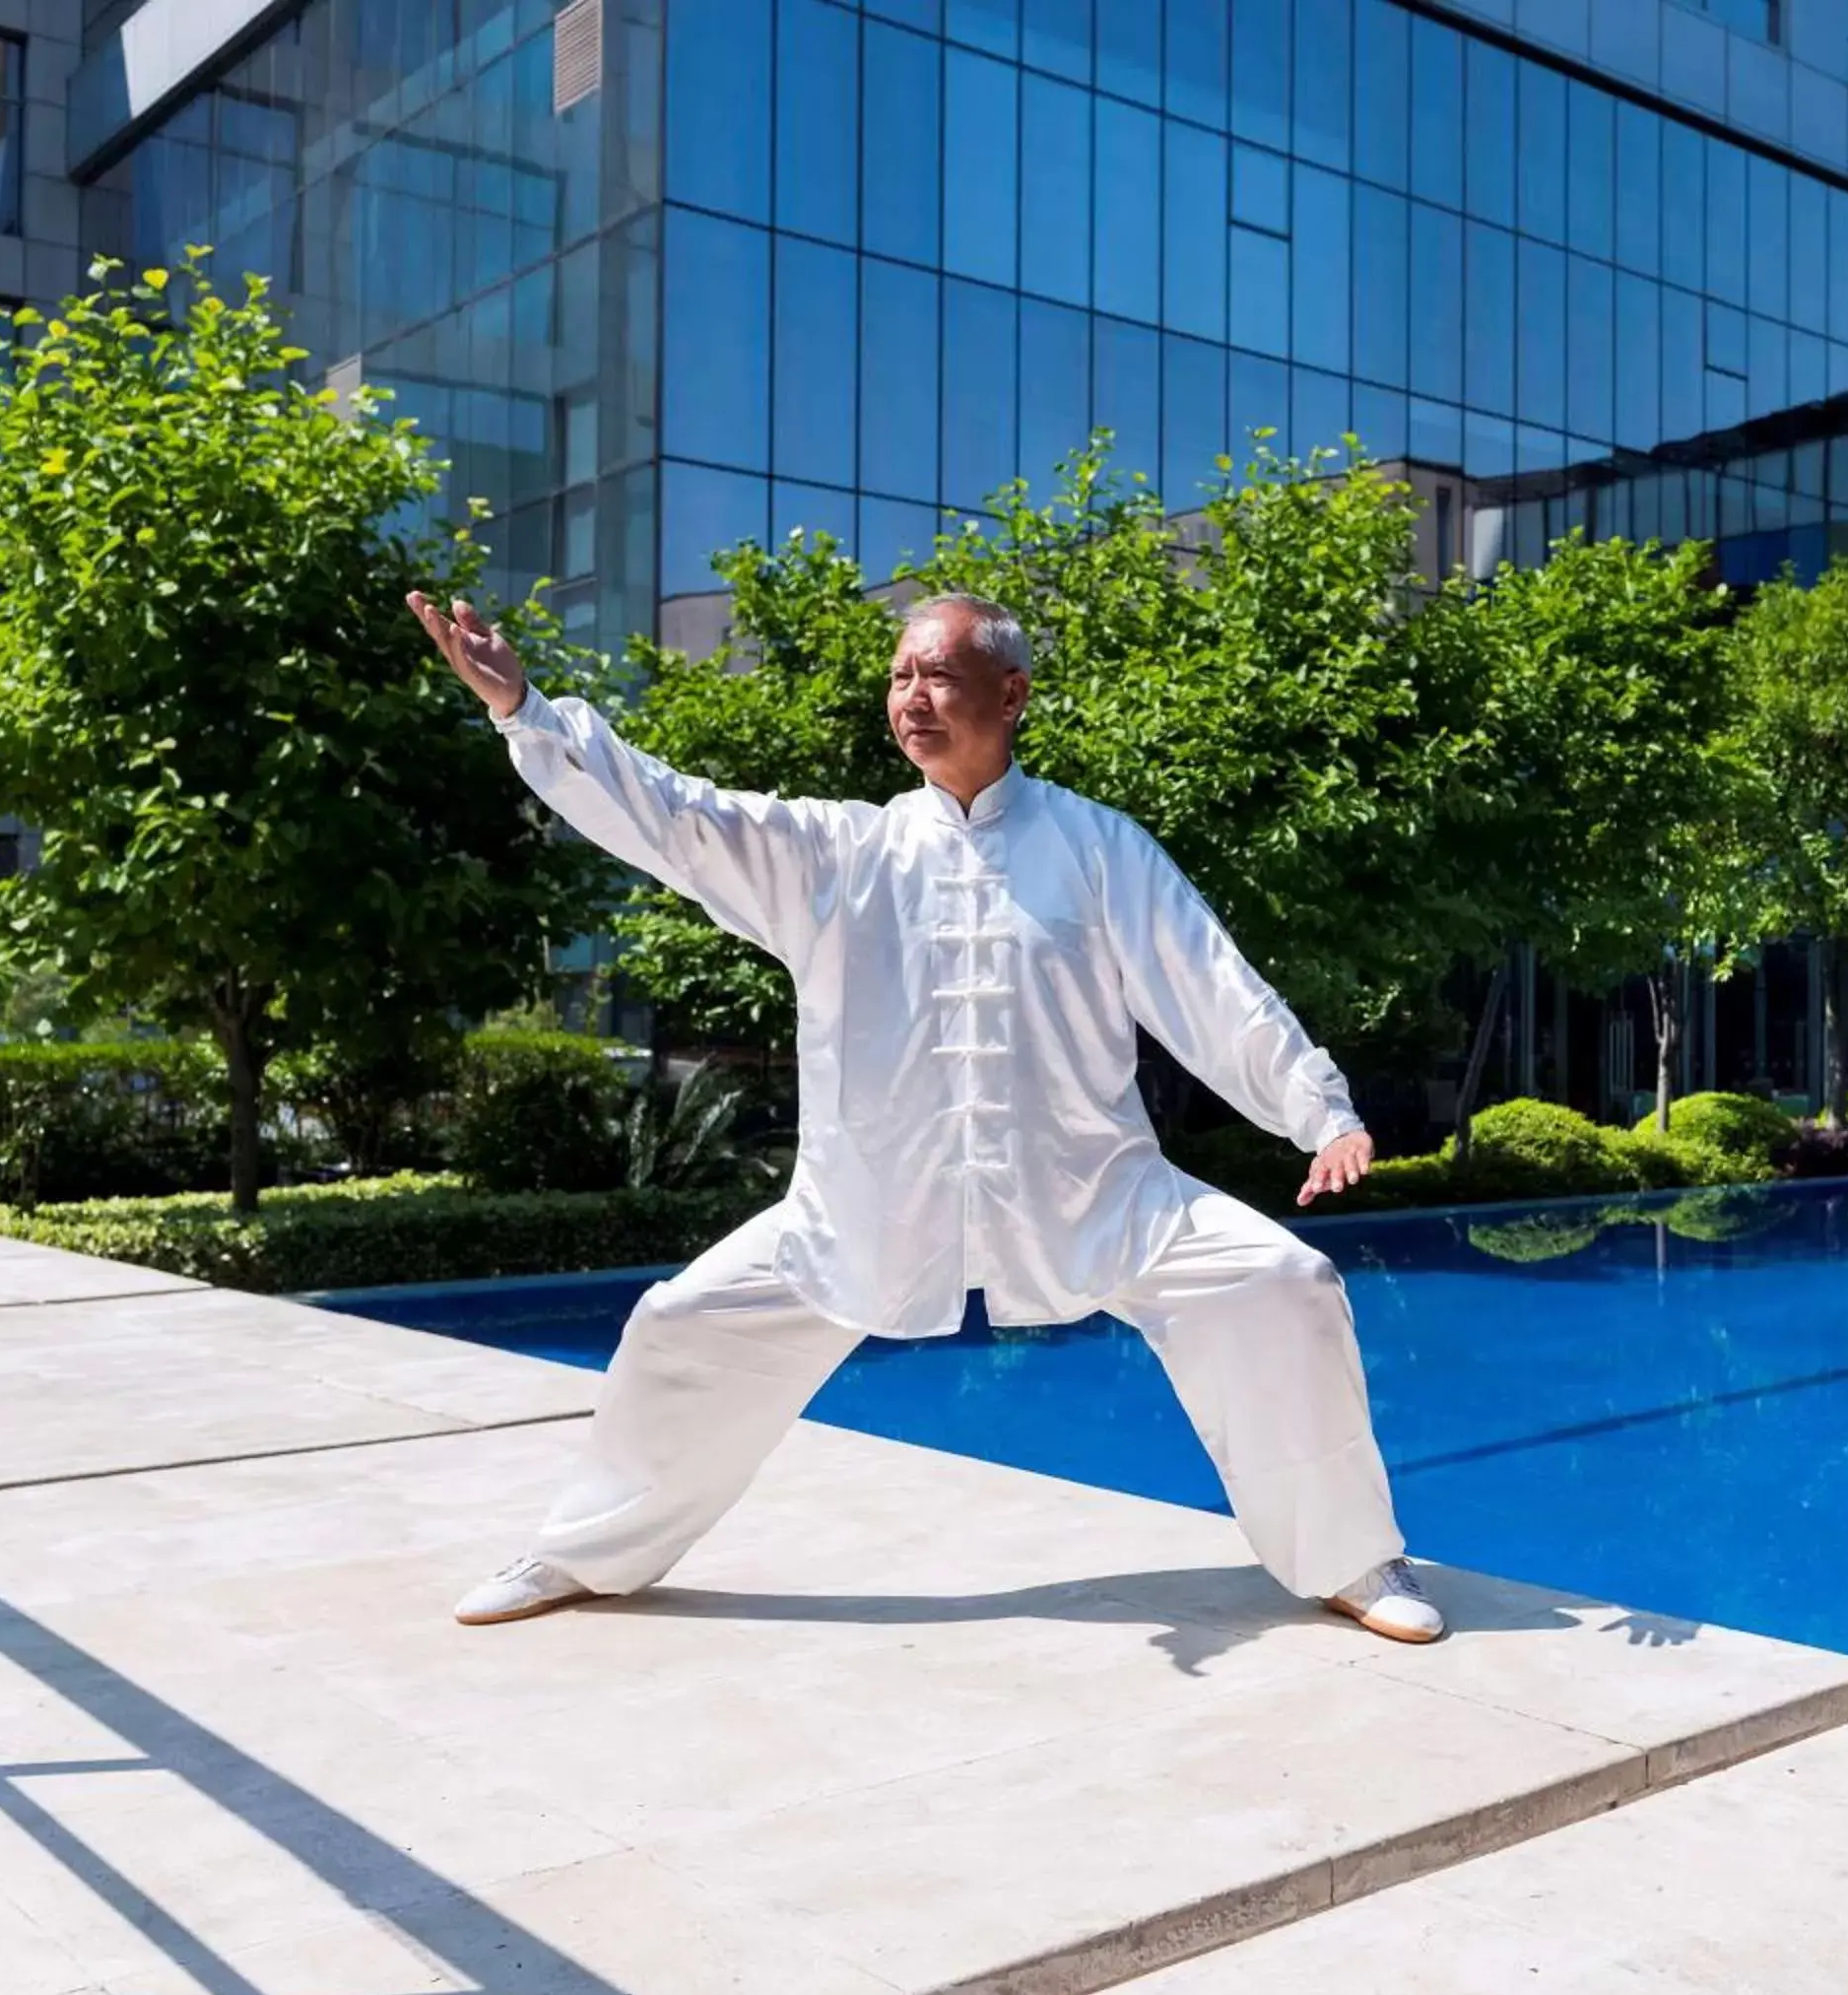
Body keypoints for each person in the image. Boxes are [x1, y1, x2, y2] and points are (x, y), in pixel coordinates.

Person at [404, 587, 1442, 1643]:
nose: (912, 697)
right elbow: (677, 815)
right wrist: (527, 711)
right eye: (901, 676)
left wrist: (1321, 1112)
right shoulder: (837, 853)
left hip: (1097, 1192)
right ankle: (579, 1553)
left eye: (938, 675)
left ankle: (1353, 1560)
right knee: (682, 1326)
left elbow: (1209, 982)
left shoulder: (1097, 847)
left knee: (1282, 1284)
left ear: (1013, 691)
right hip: (865, 1208)